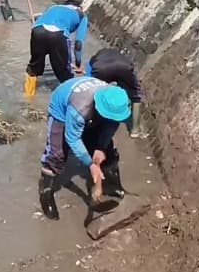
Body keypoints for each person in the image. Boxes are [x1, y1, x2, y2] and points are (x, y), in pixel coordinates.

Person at [38, 76, 132, 220]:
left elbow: (111, 126)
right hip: (62, 109)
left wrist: (100, 147)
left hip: (93, 109)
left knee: (107, 150)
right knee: (57, 154)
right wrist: (90, 164)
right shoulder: (80, 107)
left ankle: (110, 185)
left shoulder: (116, 101)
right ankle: (46, 190)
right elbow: (72, 138)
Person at [24, 0, 88, 97]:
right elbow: (78, 43)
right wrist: (78, 64)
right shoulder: (81, 15)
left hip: (38, 31)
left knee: (33, 68)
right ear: (79, 7)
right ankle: (66, 100)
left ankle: (28, 98)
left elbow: (38, 18)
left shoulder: (53, 7)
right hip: (58, 35)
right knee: (65, 74)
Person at [86, 48, 145, 138]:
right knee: (136, 96)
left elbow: (88, 75)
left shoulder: (95, 58)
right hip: (124, 67)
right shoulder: (121, 56)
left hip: (101, 68)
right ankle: (135, 130)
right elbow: (130, 68)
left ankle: (93, 121)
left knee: (93, 93)